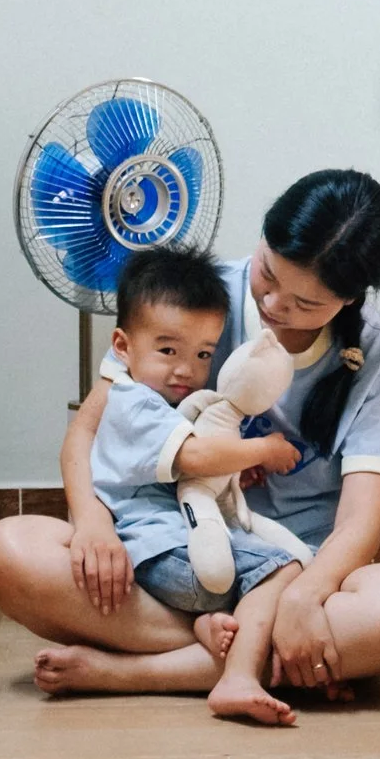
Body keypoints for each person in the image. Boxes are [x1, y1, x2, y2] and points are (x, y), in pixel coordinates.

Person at [0, 169, 380, 720]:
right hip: (165, 559)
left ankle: (137, 672)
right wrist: (91, 523)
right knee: (8, 549)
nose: (275, 304)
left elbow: (361, 523)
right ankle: (264, 659)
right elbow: (86, 429)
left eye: (305, 303)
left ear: (348, 300)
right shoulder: (189, 300)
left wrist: (303, 598)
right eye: (268, 273)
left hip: (289, 567)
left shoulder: (377, 357)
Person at [86, 246, 305, 723]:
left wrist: (229, 474)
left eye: (203, 353)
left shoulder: (166, 402)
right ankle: (238, 676)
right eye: (168, 350)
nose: (186, 369)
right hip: (164, 551)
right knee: (282, 569)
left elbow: (192, 467)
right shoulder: (133, 402)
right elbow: (197, 454)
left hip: (168, 550)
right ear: (121, 346)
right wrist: (264, 449)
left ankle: (204, 626)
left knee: (243, 571)